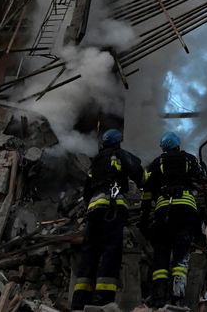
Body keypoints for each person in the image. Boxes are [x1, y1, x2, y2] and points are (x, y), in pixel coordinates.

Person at [71, 128, 144, 309]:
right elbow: (140, 175)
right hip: (113, 208)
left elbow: (87, 191)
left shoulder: (95, 163)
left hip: (93, 210)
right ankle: (104, 300)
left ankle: (80, 301)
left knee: (90, 253)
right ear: (118, 142)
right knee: (111, 251)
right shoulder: (120, 155)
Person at [141, 131, 205, 306]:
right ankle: (178, 296)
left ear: (163, 148)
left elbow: (147, 191)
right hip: (186, 210)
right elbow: (201, 177)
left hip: (163, 210)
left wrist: (144, 217)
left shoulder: (156, 163)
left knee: (161, 252)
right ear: (178, 145)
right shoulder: (190, 159)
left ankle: (159, 297)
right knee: (181, 252)